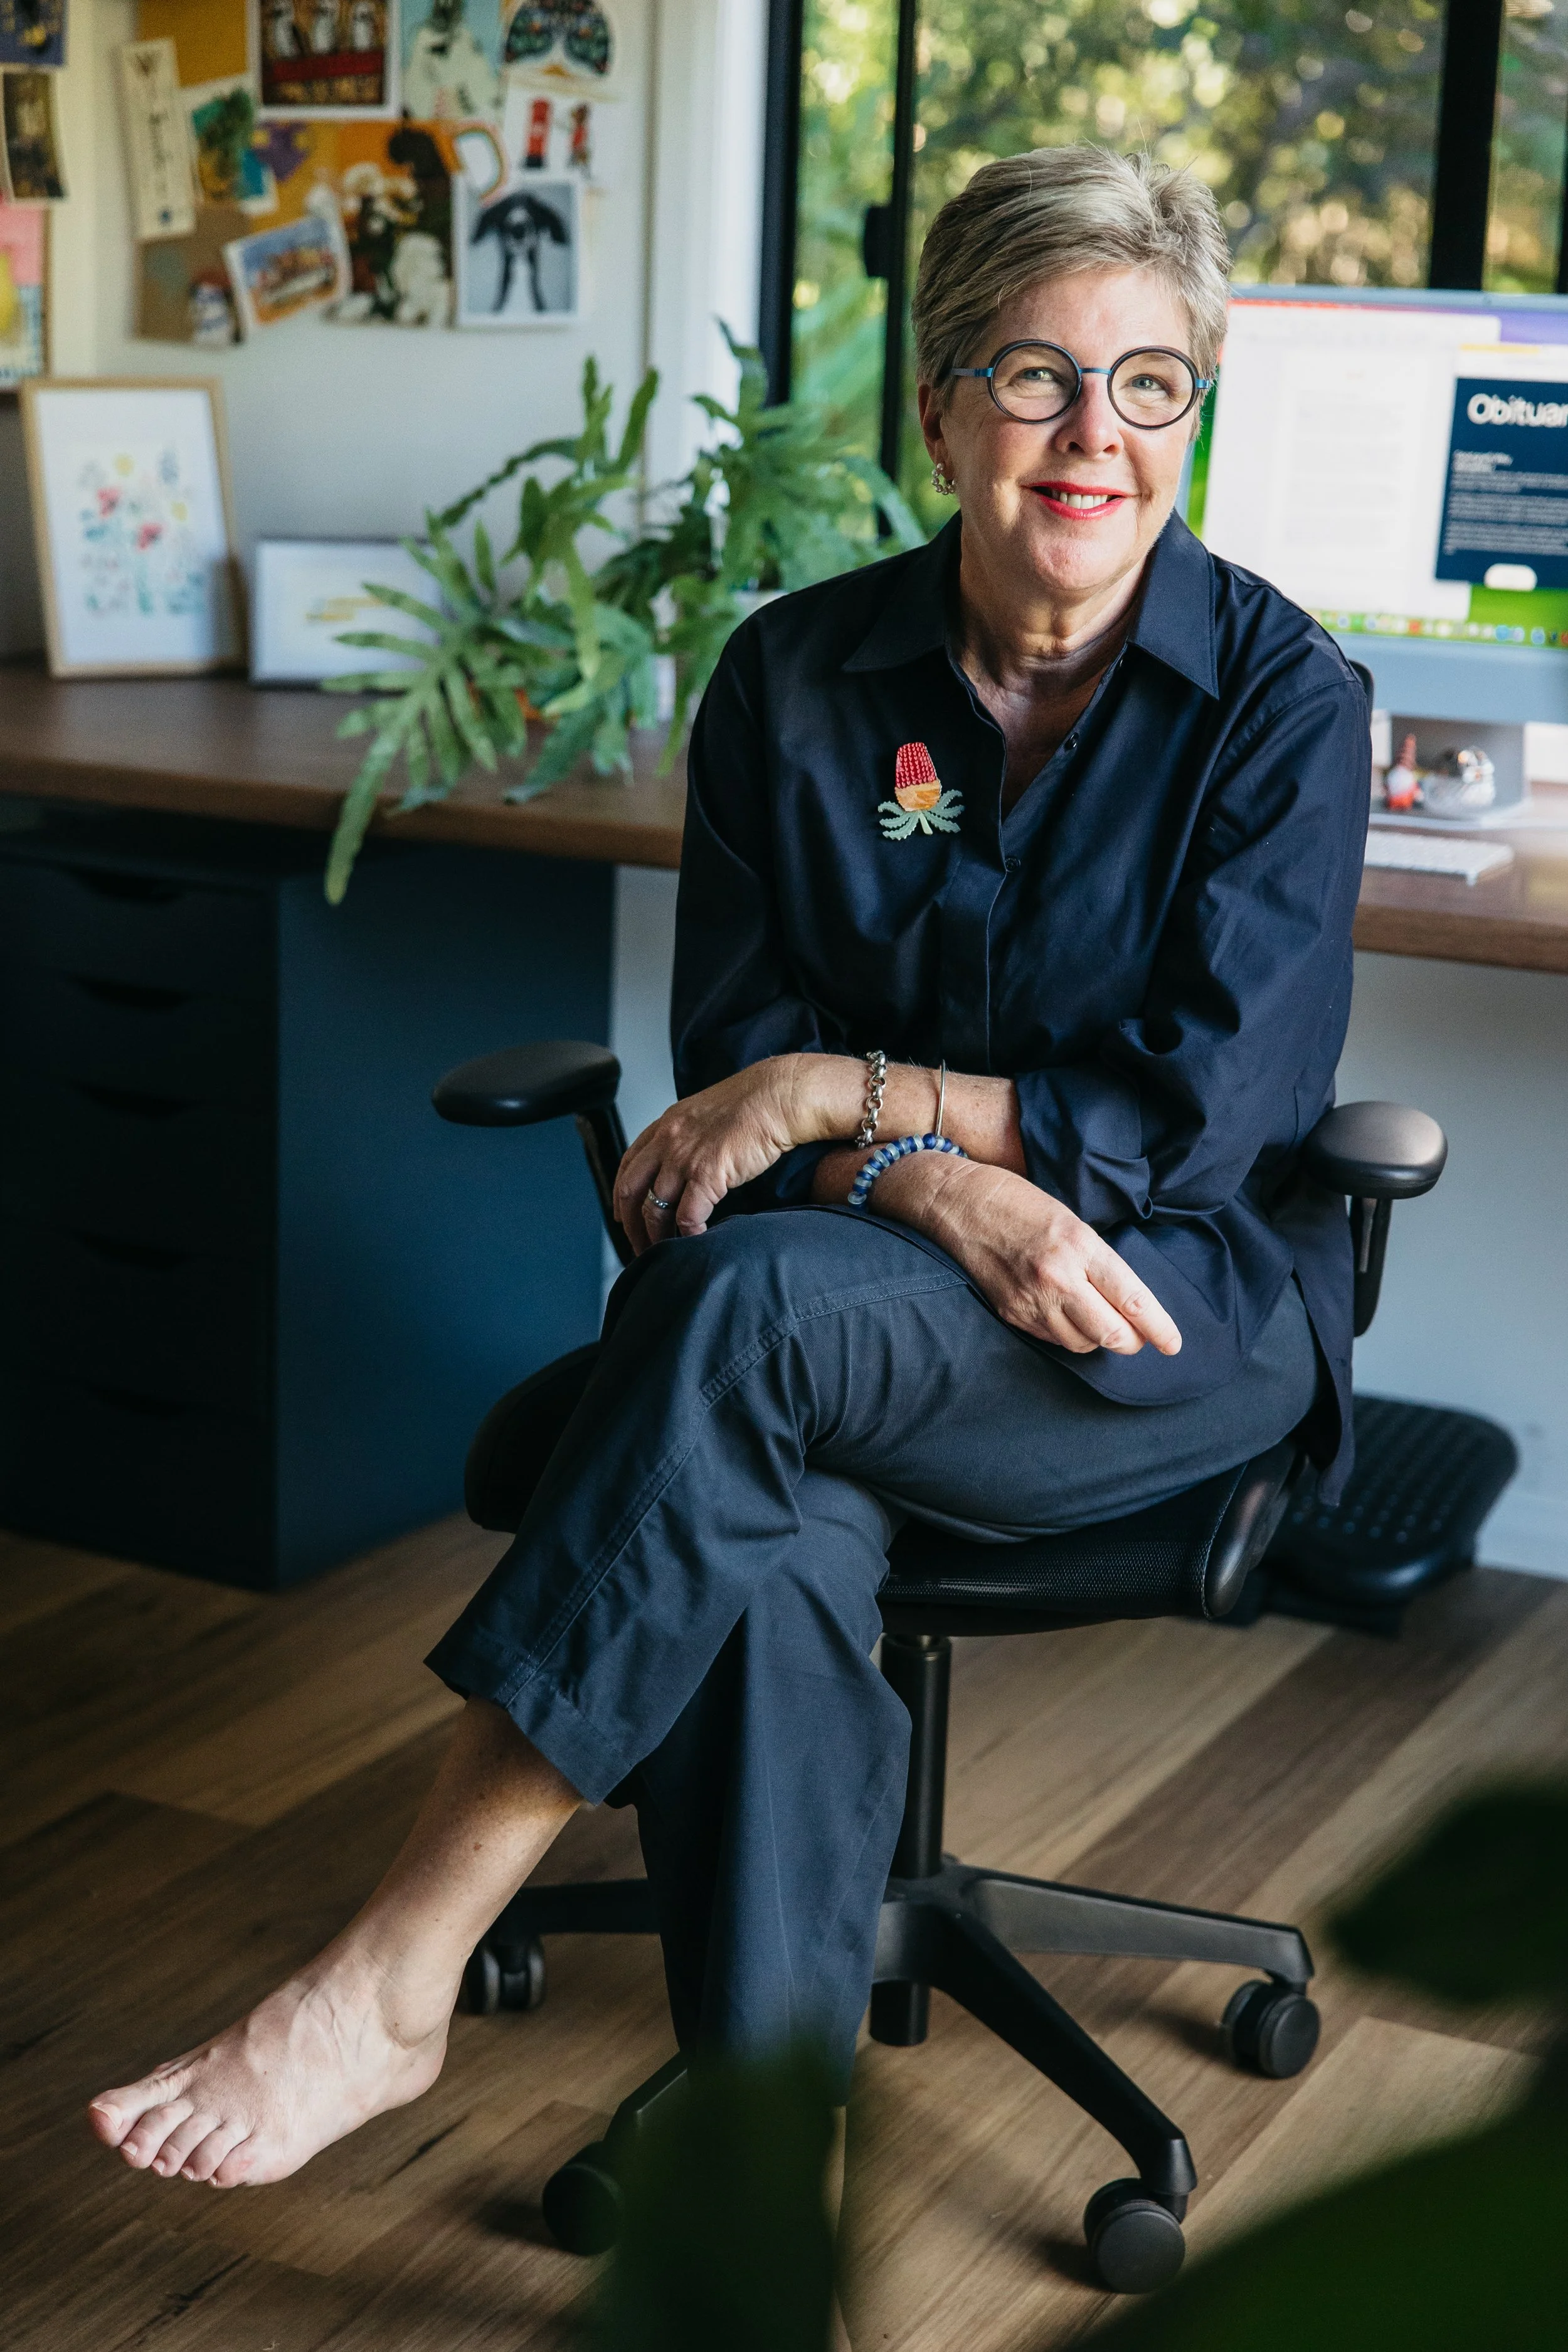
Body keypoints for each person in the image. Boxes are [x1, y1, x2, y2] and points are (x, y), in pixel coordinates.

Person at [87, 144, 1367, 2196]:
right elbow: (722, 1100)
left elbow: (1188, 1127)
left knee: (727, 1332)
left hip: (1165, 1311)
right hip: (851, 1299)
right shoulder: (795, 680)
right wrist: (930, 1177)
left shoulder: (1287, 710)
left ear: (1190, 414)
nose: (1087, 436)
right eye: (1031, 373)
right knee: (757, 1486)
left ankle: (396, 1968)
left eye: (1146, 383)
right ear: (937, 403)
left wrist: (848, 1098)